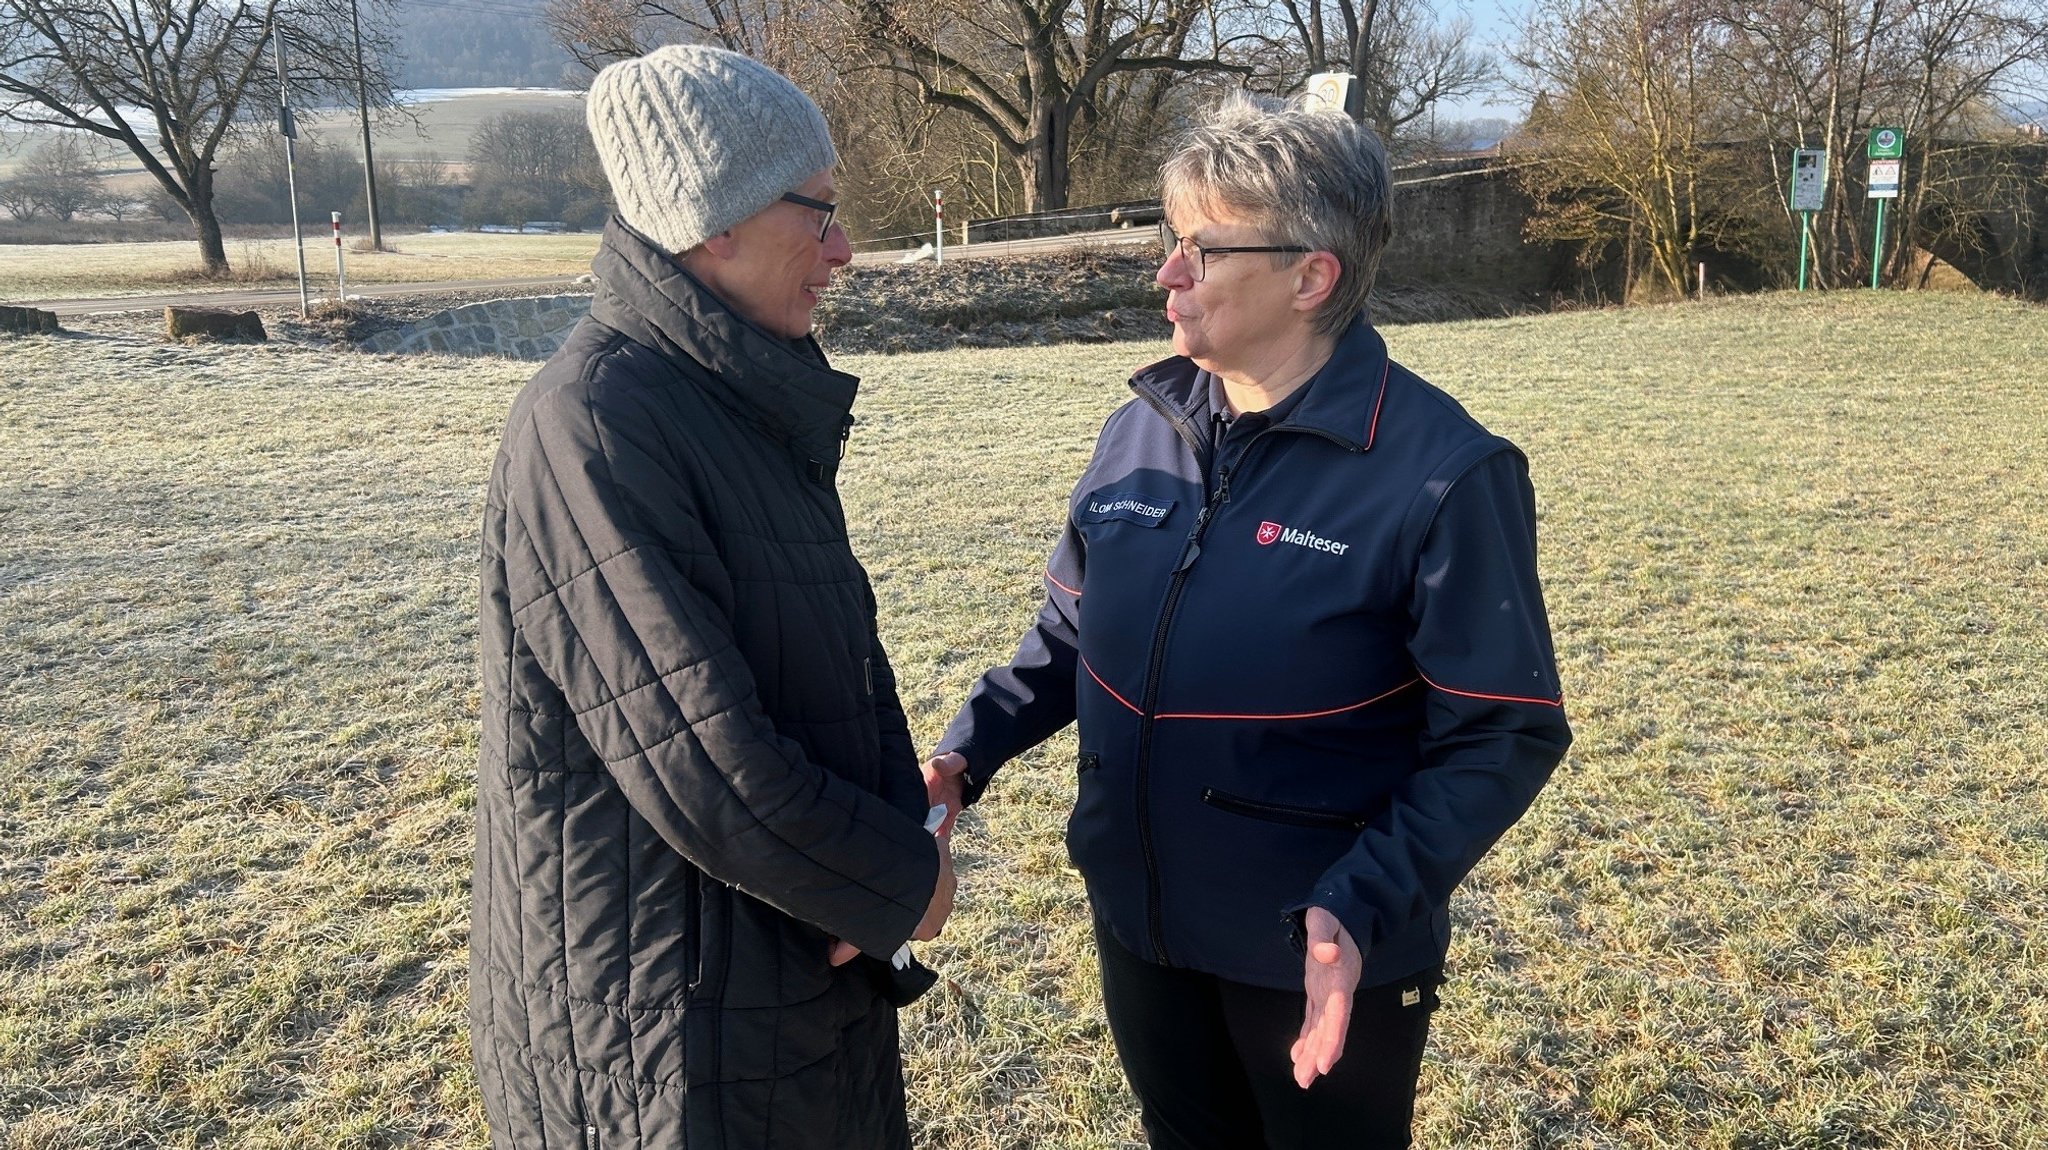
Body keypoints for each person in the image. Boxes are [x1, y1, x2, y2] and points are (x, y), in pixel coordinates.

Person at [924, 94, 1572, 1149]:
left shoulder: (1445, 474)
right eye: (1168, 240)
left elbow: (1504, 730)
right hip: (1139, 920)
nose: (1165, 274)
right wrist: (965, 753)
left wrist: (1359, 906)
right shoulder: (1141, 425)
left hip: (1316, 949)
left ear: (1310, 274)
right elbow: (1071, 631)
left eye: (1202, 249)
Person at [471, 45, 952, 1150]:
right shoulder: (595, 425)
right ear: (711, 222)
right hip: (665, 1036)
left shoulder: (738, 398)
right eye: (818, 213)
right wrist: (899, 877)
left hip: (778, 986)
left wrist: (877, 856)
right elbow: (704, 759)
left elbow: (825, 662)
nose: (842, 248)